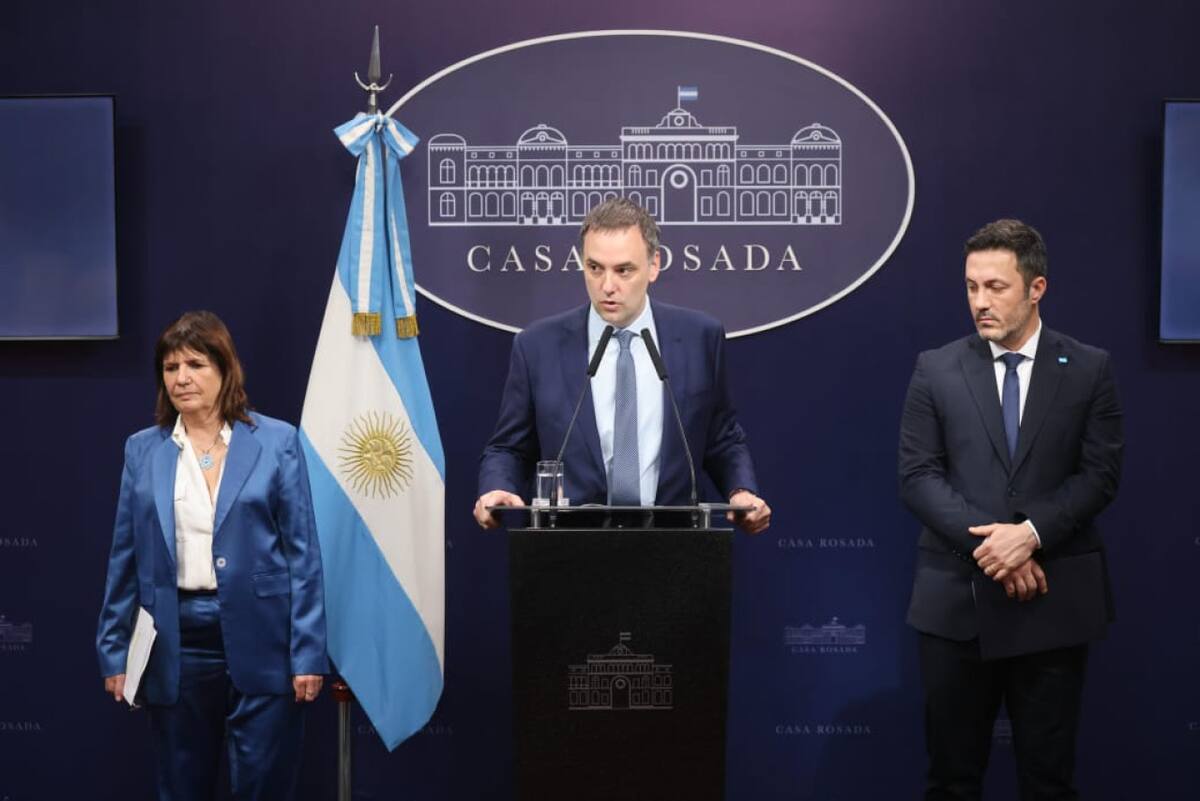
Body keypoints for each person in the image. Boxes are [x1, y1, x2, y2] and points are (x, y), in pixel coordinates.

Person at [898, 219, 1123, 800]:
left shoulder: (1089, 368)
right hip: (956, 603)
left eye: (996, 287)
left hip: (1052, 599)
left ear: (1036, 287)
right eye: (972, 287)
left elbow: (1100, 476)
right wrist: (996, 547)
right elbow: (918, 477)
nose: (980, 301)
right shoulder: (935, 368)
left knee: (1048, 782)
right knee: (952, 781)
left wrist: (1031, 535)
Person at [96, 310, 328, 801]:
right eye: (170, 367)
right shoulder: (142, 450)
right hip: (176, 639)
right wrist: (114, 648)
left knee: (264, 784)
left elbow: (303, 555)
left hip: (265, 637)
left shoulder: (277, 441)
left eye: (195, 364)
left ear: (225, 369)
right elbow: (124, 558)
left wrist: (308, 651)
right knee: (182, 784)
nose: (181, 378)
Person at [473, 198, 770, 533]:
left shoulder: (700, 337)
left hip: (675, 546)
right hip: (568, 546)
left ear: (654, 265)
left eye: (623, 270)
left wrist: (741, 490)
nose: (607, 286)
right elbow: (509, 447)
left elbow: (722, 438)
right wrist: (497, 487)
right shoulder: (538, 346)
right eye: (594, 268)